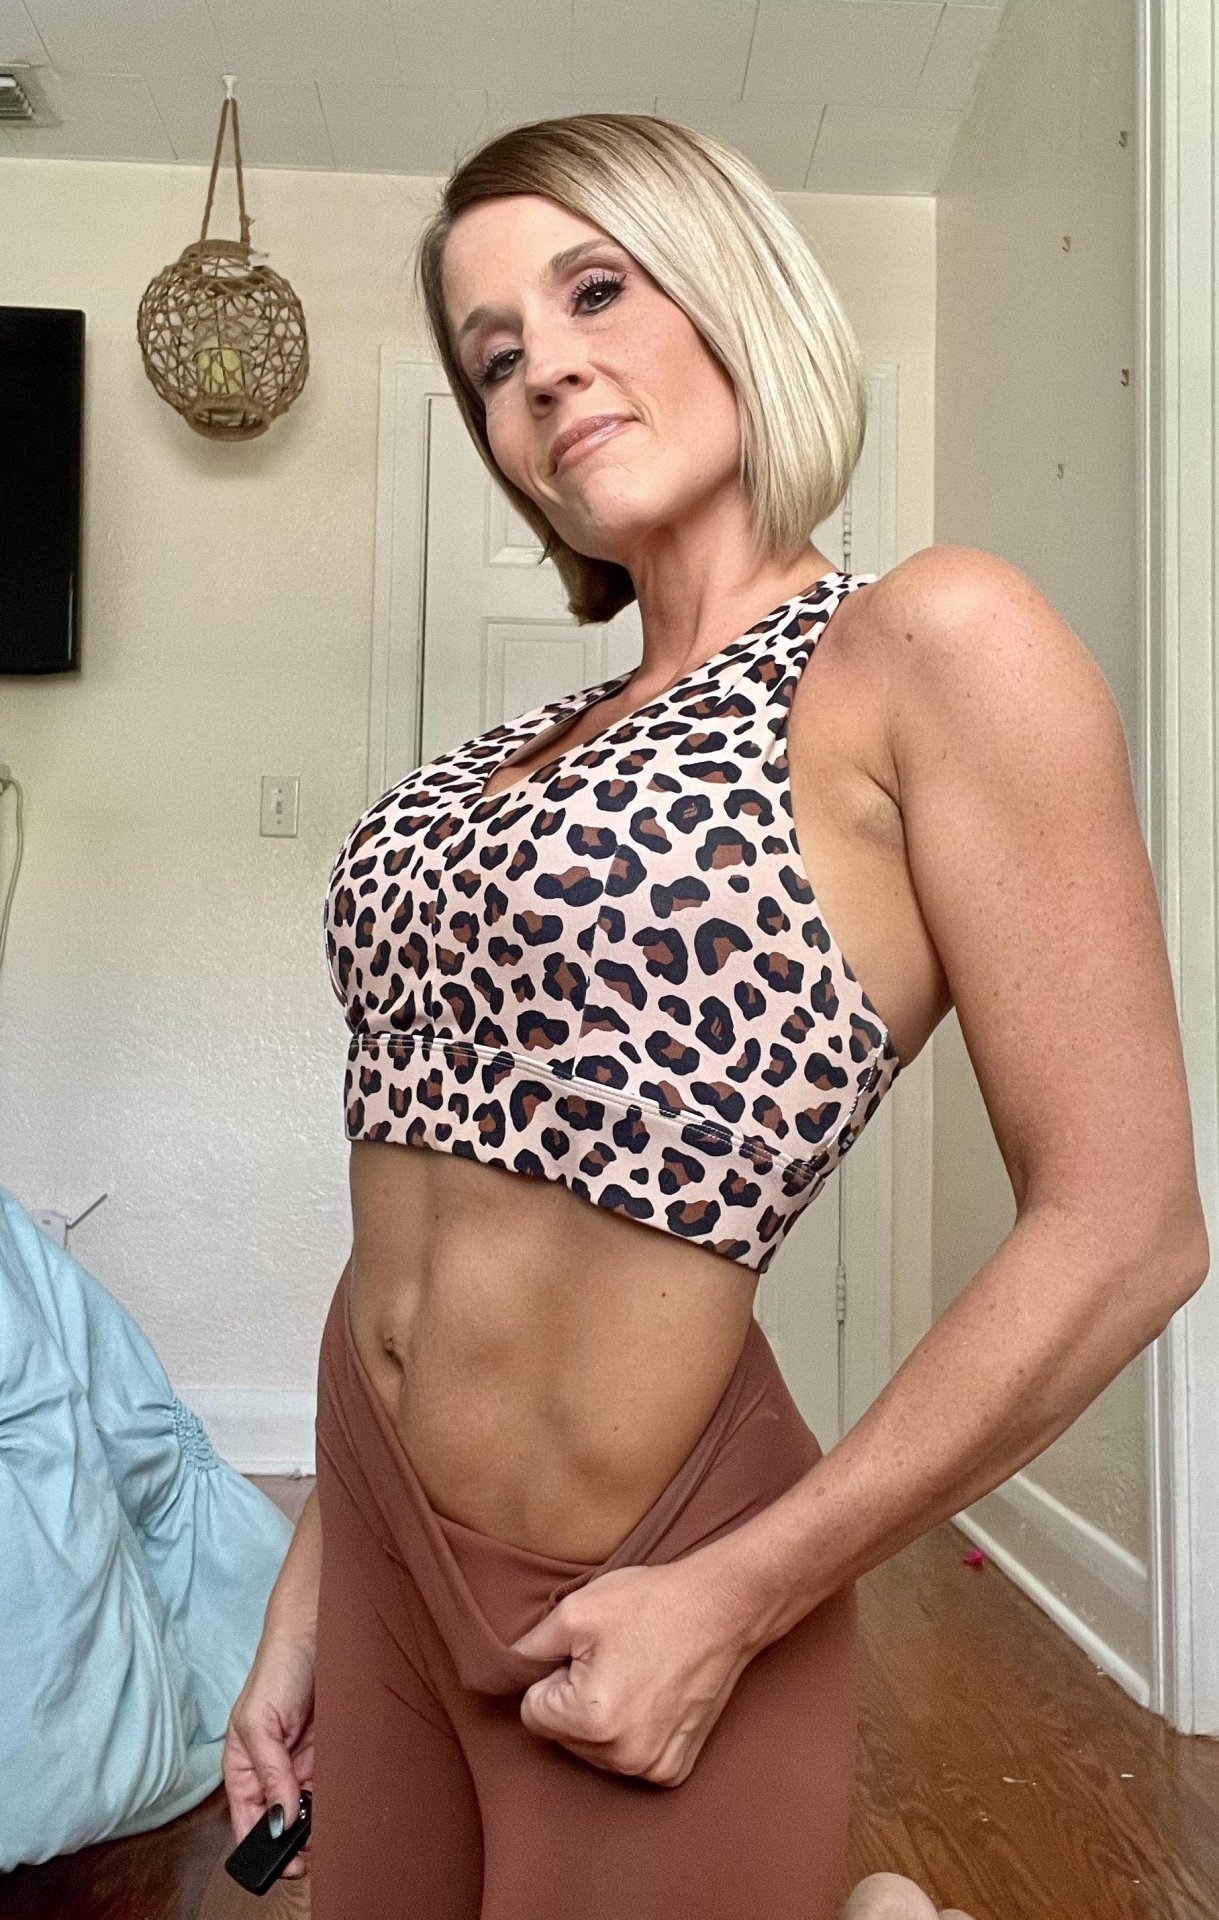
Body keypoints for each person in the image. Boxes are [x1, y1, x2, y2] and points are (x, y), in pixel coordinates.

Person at [221, 113, 1209, 1920]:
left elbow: (1130, 1228)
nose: (542, 370)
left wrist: (738, 1596)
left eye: (595, 290)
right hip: (377, 1535)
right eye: (493, 357)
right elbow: (420, 1209)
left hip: (644, 1576)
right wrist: (312, 1585)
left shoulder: (923, 647)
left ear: (731, 286)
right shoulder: (510, 751)